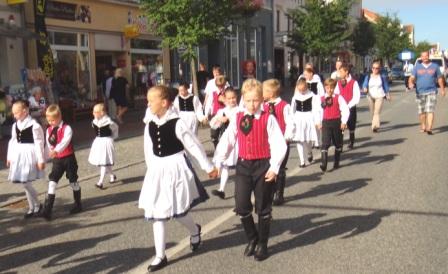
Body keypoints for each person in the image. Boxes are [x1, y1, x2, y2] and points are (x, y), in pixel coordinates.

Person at [139, 85, 218, 272]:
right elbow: (148, 150)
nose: (148, 103)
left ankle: (194, 230)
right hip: (158, 170)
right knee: (157, 213)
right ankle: (160, 255)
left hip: (176, 168)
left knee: (179, 212)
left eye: (151, 101)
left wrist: (208, 166)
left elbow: (193, 145)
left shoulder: (177, 123)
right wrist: (152, 172)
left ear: (164, 103)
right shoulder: (150, 123)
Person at [213, 79, 287, 261]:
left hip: (263, 165)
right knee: (241, 205)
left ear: (262, 99)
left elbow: (279, 144)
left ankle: (262, 243)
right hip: (244, 165)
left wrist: (275, 166)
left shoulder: (268, 118)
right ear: (243, 100)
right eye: (248, 100)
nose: (252, 104)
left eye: (255, 100)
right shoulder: (238, 117)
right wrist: (218, 161)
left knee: (263, 207)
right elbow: (228, 140)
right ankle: (252, 238)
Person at [40, 104, 81, 221]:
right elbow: (48, 144)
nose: (50, 122)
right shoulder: (48, 130)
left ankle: (78, 204)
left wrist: (56, 150)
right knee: (52, 181)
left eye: (53, 120)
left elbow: (65, 142)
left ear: (59, 117)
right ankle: (48, 210)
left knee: (73, 181)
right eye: (48, 120)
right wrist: (46, 155)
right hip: (57, 160)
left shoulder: (67, 128)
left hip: (68, 159)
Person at [7, 100, 45, 218]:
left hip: (29, 155)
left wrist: (40, 159)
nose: (14, 115)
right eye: (13, 113)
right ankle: (32, 207)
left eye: (16, 113)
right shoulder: (15, 125)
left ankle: (38, 205)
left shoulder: (34, 125)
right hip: (19, 156)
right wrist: (10, 157)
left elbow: (39, 143)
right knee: (25, 182)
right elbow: (13, 141)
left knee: (25, 183)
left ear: (24, 111)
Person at [262, 79, 294, 206]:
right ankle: (269, 191)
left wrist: (286, 138)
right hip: (267, 144)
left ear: (271, 93)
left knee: (280, 168)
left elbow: (290, 123)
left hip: (281, 143)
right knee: (268, 167)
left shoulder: (284, 106)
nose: (261, 93)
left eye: (263, 91)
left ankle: (279, 194)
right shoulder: (263, 106)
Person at [209, 87, 239, 199]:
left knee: (239, 168)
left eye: (233, 98)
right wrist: (219, 119)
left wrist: (230, 119)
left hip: (237, 141)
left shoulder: (240, 110)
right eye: (229, 98)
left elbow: (238, 125)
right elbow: (213, 124)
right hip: (226, 140)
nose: (232, 100)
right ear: (225, 99)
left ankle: (240, 192)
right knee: (225, 165)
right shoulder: (222, 111)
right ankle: (221, 189)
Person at [409, 51, 446, 135]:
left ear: (429, 56)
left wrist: (443, 89)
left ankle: (429, 128)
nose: (425, 57)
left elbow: (440, 78)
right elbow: (412, 78)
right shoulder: (417, 67)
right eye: (423, 56)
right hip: (420, 92)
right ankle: (423, 125)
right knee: (422, 112)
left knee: (430, 110)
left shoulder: (435, 66)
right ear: (421, 57)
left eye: (426, 56)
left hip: (432, 91)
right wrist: (410, 83)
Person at [318, 79, 349, 172]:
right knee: (325, 143)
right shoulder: (321, 98)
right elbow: (318, 111)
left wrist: (343, 122)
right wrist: (318, 122)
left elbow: (345, 109)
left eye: (331, 88)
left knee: (337, 143)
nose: (329, 90)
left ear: (334, 88)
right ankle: (324, 163)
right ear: (325, 87)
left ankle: (336, 162)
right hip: (326, 122)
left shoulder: (338, 97)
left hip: (336, 122)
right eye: (327, 88)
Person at [290, 78, 321, 168]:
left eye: (303, 89)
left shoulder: (312, 96)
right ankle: (302, 161)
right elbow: (292, 110)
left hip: (308, 118)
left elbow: (316, 109)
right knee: (299, 139)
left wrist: (317, 121)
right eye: (299, 90)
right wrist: (292, 121)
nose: (301, 91)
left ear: (306, 87)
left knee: (307, 139)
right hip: (298, 118)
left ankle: (309, 152)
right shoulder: (295, 97)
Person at [88, 103, 119, 189]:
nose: (93, 113)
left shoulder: (109, 122)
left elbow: (115, 129)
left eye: (96, 112)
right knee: (105, 162)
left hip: (106, 142)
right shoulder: (94, 122)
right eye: (93, 112)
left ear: (102, 112)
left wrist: (112, 138)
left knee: (103, 162)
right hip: (98, 142)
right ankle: (112, 175)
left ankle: (100, 182)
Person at [334, 64, 360, 149]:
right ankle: (340, 144)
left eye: (341, 71)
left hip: (350, 107)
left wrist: (348, 106)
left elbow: (356, 96)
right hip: (341, 108)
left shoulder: (353, 82)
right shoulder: (338, 83)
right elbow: (336, 93)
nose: (339, 73)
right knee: (341, 126)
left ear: (346, 72)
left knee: (351, 125)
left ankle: (351, 140)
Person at [362, 61, 391, 132]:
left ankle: (375, 126)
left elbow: (385, 86)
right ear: (371, 68)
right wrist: (365, 88)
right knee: (372, 112)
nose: (375, 69)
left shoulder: (382, 77)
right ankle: (374, 123)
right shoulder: (368, 76)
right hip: (370, 96)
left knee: (376, 112)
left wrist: (388, 94)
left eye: (377, 68)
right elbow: (365, 84)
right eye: (374, 68)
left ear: (379, 69)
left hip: (379, 96)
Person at [205, 75, 228, 148]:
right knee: (214, 135)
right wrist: (206, 115)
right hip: (215, 114)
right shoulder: (213, 93)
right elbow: (209, 103)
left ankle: (223, 150)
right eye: (219, 86)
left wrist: (225, 100)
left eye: (222, 86)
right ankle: (216, 147)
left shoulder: (227, 92)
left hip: (225, 115)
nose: (221, 88)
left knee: (224, 134)